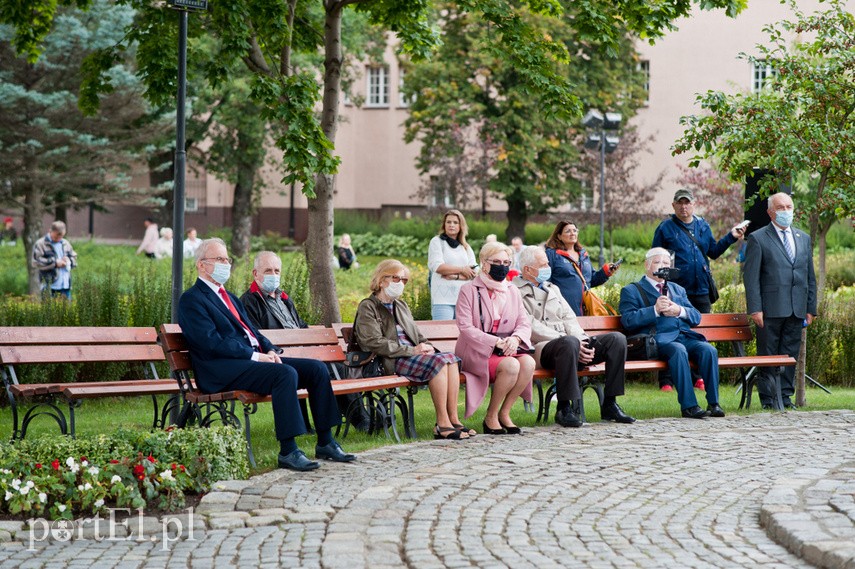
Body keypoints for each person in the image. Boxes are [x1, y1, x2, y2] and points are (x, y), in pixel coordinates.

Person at [178, 238, 355, 471]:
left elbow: (252, 331)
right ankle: (289, 451)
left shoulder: (229, 297)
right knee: (284, 374)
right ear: (201, 265)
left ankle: (326, 442)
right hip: (220, 370)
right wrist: (255, 356)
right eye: (219, 259)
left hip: (247, 363)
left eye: (227, 259)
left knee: (316, 369)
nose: (226, 264)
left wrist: (269, 349)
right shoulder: (192, 299)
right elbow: (210, 342)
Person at [240, 251, 371, 432]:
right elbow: (255, 336)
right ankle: (357, 422)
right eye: (268, 271)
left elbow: (300, 325)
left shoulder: (284, 298)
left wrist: (313, 341)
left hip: (303, 351)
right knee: (322, 369)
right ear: (256, 274)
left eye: (277, 271)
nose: (274, 275)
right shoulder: (249, 301)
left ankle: (358, 419)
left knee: (339, 368)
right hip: (279, 356)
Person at [514, 246, 635, 427]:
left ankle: (610, 404)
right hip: (541, 347)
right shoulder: (514, 291)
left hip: (571, 344)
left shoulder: (552, 288)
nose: (548, 267)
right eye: (543, 265)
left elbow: (569, 317)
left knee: (616, 339)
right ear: (528, 269)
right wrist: (569, 341)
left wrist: (582, 341)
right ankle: (564, 408)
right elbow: (529, 326)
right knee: (568, 343)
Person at [354, 259, 472, 440]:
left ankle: (454, 420)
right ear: (382, 280)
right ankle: (442, 423)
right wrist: (412, 351)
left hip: (413, 356)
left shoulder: (400, 305)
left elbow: (417, 335)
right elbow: (373, 342)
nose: (400, 283)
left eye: (404, 280)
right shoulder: (368, 306)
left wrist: (428, 347)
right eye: (396, 278)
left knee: (451, 359)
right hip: (390, 360)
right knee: (440, 362)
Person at [619, 248, 725, 419]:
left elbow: (696, 317)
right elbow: (628, 320)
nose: (663, 266)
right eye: (657, 262)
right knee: (678, 350)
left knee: (708, 350)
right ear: (647, 265)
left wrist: (679, 310)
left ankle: (714, 404)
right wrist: (654, 310)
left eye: (666, 263)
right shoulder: (632, 290)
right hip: (658, 339)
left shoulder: (678, 289)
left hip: (684, 336)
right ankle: (689, 406)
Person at [743, 192, 817, 410]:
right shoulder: (758, 238)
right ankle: (768, 399)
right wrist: (755, 308)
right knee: (768, 354)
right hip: (770, 308)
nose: (786, 211)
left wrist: (810, 308)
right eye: (780, 207)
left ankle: (785, 397)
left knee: (789, 355)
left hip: (796, 308)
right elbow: (751, 278)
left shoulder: (803, 238)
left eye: (789, 207)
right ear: (770, 212)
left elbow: (809, 276)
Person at [455, 242, 535, 435]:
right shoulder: (468, 290)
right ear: (484, 263)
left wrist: (515, 339)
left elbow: (524, 322)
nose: (502, 266)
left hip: (505, 348)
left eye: (506, 262)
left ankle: (504, 413)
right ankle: (491, 416)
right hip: (476, 351)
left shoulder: (512, 290)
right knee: (511, 365)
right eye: (497, 262)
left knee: (529, 363)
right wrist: (495, 342)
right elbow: (465, 327)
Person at [652, 188, 747, 313]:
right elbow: (655, 260)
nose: (683, 206)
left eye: (687, 203)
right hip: (676, 291)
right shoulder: (665, 228)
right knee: (678, 323)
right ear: (673, 205)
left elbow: (714, 252)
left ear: (693, 204)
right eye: (680, 203)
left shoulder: (703, 226)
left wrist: (731, 236)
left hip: (701, 290)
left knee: (704, 323)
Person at [545, 220, 619, 316]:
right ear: (559, 236)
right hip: (564, 311)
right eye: (568, 231)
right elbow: (546, 283)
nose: (572, 233)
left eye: (575, 230)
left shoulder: (583, 255)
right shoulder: (552, 255)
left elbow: (591, 281)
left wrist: (605, 272)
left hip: (586, 311)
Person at [427, 209, 477, 320]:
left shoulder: (465, 247)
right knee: (442, 330)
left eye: (455, 222)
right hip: (442, 300)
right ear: (444, 225)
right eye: (448, 222)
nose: (451, 225)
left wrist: (455, 276)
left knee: (462, 331)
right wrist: (463, 269)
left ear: (461, 226)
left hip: (463, 299)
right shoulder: (437, 242)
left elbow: (475, 271)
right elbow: (438, 267)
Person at [32, 221, 77, 299]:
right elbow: (36, 262)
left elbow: (74, 259)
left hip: (65, 285)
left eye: (61, 237)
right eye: (56, 237)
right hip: (48, 285)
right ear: (50, 231)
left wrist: (68, 261)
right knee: (48, 307)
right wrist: (55, 263)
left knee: (67, 307)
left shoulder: (65, 243)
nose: (58, 239)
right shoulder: (41, 244)